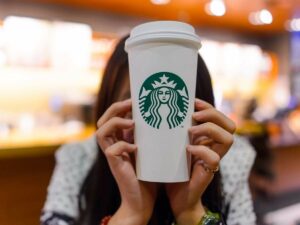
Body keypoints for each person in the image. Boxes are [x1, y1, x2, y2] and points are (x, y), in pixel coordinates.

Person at [41, 36, 257, 225]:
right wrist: (131, 214)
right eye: (132, 106)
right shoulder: (77, 161)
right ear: (110, 105)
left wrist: (190, 212)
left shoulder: (229, 164)